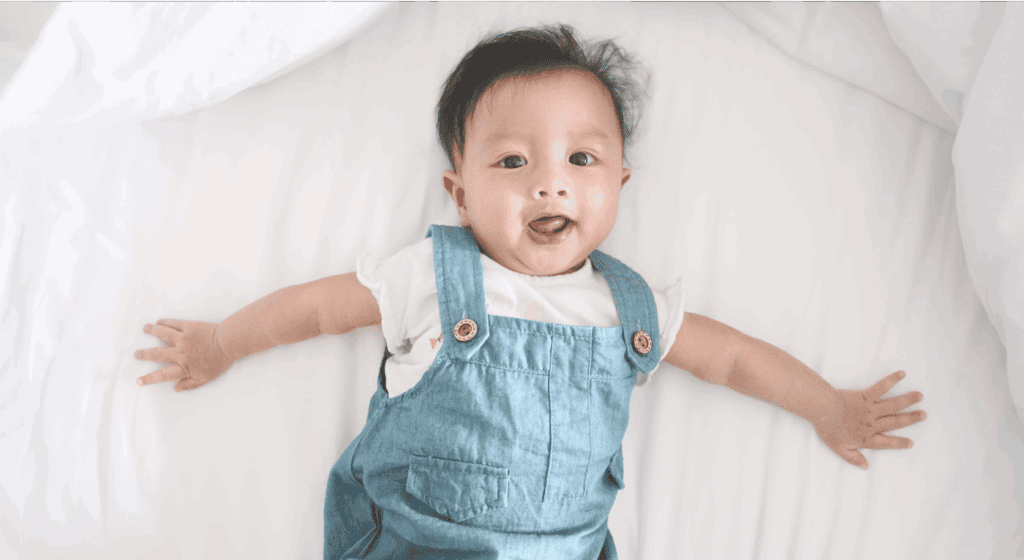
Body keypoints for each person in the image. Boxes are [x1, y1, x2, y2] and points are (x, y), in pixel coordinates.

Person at [134, 24, 927, 559]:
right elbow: (312, 309)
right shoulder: (433, 278)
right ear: (458, 191)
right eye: (513, 163)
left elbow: (733, 361)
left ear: (620, 181)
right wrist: (221, 342)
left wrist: (828, 405)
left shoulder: (633, 309)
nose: (550, 185)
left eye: (581, 161)